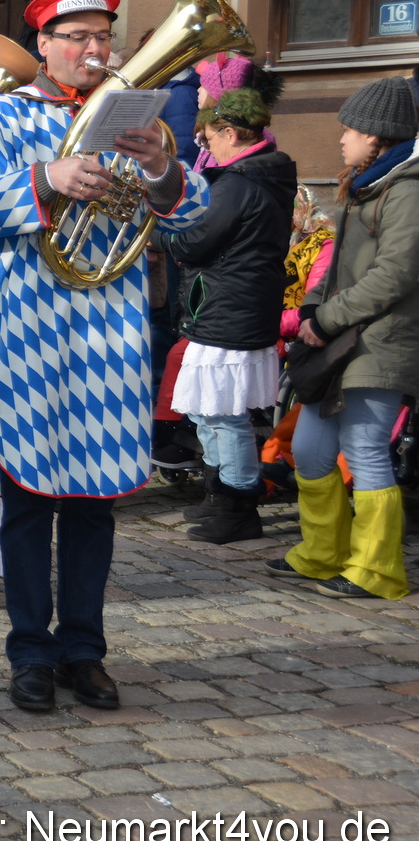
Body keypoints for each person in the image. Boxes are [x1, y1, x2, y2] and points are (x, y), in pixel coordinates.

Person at [0, 0, 208, 714]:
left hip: (108, 330)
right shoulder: (1, 116)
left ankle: (85, 649)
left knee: (94, 502)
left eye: (104, 37)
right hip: (26, 327)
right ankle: (29, 650)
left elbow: (193, 218)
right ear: (46, 45)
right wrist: (48, 177)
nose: (96, 50)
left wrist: (160, 167)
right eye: (80, 38)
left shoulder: (135, 117)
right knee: (30, 499)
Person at [272, 77, 419, 601]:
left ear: (378, 137)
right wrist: (313, 308)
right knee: (310, 450)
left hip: (380, 343)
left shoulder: (407, 189)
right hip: (342, 341)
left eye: (351, 129)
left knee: (365, 450)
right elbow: (338, 267)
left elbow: (395, 274)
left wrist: (327, 317)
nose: (342, 139)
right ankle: (322, 553)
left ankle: (376, 570)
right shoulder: (368, 185)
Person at [162, 88, 296, 544]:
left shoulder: (240, 183)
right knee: (209, 411)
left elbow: (197, 241)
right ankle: (220, 497)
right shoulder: (258, 175)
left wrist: (165, 237)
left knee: (224, 415)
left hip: (231, 307)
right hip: (233, 304)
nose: (206, 147)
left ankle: (237, 506)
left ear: (231, 134)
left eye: (209, 138)